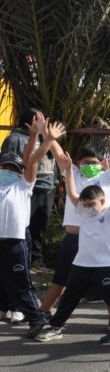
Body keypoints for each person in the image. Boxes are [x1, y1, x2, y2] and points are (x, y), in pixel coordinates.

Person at [37, 151, 110, 346]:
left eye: (92, 204)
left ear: (102, 201)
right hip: (81, 264)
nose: (88, 207)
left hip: (104, 265)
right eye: (85, 205)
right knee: (69, 298)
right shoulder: (83, 212)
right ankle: (55, 327)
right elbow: (73, 194)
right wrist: (67, 171)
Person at [0, 119, 65, 338]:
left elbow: (32, 159)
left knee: (21, 286)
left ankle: (37, 322)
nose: (7, 171)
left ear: (20, 172)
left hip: (14, 244)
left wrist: (45, 138)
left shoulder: (23, 185)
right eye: (4, 167)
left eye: (12, 168)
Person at [1, 109, 57, 267]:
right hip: (25, 188)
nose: (42, 123)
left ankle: (36, 259)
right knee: (26, 225)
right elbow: (20, 161)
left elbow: (53, 157)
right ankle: (24, 259)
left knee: (41, 225)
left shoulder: (44, 137)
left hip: (47, 188)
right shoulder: (14, 139)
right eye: (38, 120)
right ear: (29, 122)